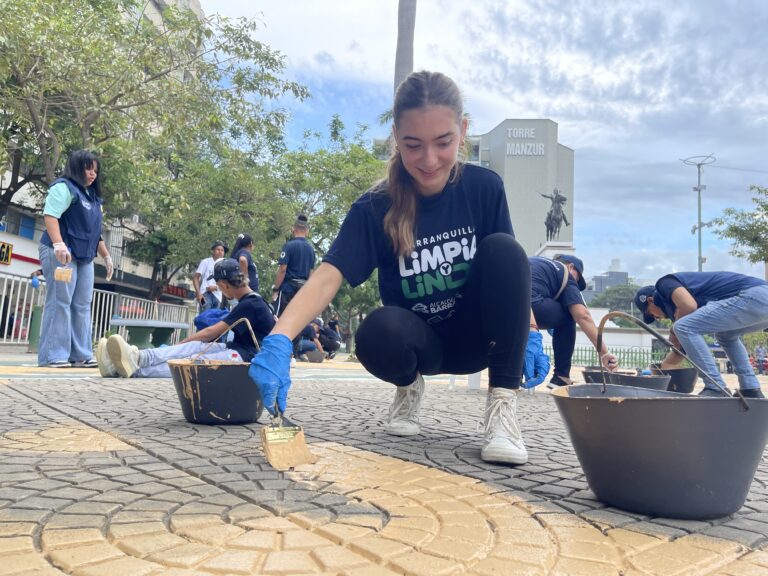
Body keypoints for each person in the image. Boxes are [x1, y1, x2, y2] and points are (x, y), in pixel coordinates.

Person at [249, 71, 533, 465]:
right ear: (396, 136)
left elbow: (510, 272)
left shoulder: (485, 188)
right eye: (413, 145)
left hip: (479, 340)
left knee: (506, 249)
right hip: (418, 346)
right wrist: (279, 338)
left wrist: (529, 332)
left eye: (444, 142)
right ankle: (409, 388)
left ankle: (502, 411)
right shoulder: (374, 206)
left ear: (463, 131)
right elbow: (330, 273)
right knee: (375, 330)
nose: (429, 160)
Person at [97, 259, 275, 378]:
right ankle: (138, 357)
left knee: (192, 363)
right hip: (238, 350)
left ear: (224, 285)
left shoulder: (250, 304)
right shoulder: (253, 301)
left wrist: (177, 346)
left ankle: (133, 370)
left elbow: (211, 332)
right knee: (196, 347)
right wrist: (185, 344)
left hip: (247, 358)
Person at [635, 271, 768, 398]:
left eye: (650, 313)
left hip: (754, 295)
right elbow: (685, 349)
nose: (656, 318)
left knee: (682, 327)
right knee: (726, 336)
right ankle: (750, 388)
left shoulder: (665, 283)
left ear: (651, 300)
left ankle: (715, 387)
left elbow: (689, 305)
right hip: (761, 300)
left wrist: (674, 330)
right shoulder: (677, 309)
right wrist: (664, 366)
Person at [38, 150, 113, 368]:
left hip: (85, 256)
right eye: (88, 168)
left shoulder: (93, 197)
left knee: (82, 304)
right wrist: (58, 244)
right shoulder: (64, 187)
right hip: (62, 253)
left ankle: (80, 354)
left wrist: (107, 256)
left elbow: (95, 233)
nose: (92, 174)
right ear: (76, 167)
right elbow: (51, 216)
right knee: (60, 301)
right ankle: (54, 354)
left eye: (96, 170)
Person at [529, 254, 618, 388]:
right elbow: (583, 316)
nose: (575, 285)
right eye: (577, 280)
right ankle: (561, 376)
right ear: (571, 267)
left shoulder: (537, 262)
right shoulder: (565, 274)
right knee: (570, 314)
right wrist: (604, 352)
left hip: (497, 300)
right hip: (526, 304)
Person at [272, 215, 316, 315]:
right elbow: (311, 274)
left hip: (288, 290)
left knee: (280, 320)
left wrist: (276, 289)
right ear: (307, 231)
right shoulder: (311, 250)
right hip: (302, 291)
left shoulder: (289, 246)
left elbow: (282, 270)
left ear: (293, 229)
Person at [193, 241, 227, 311]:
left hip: (218, 296)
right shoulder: (206, 262)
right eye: (218, 250)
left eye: (222, 250)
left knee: (214, 318)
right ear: (213, 251)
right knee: (203, 316)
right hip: (203, 294)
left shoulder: (226, 265)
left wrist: (216, 288)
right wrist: (198, 294)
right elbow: (196, 278)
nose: (220, 252)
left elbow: (228, 283)